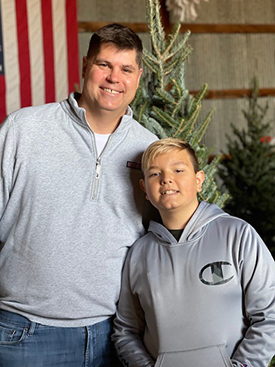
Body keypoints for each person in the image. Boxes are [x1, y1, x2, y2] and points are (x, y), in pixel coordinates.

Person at [0, 23, 157, 366]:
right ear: (85, 65)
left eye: (126, 69)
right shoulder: (23, 129)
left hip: (113, 335)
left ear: (138, 76)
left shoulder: (149, 150)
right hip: (23, 333)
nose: (114, 78)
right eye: (104, 65)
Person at [112, 137, 275, 367]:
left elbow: (270, 315)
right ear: (145, 190)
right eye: (155, 174)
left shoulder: (238, 235)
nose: (167, 178)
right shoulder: (138, 254)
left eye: (178, 170)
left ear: (199, 181)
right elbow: (126, 331)